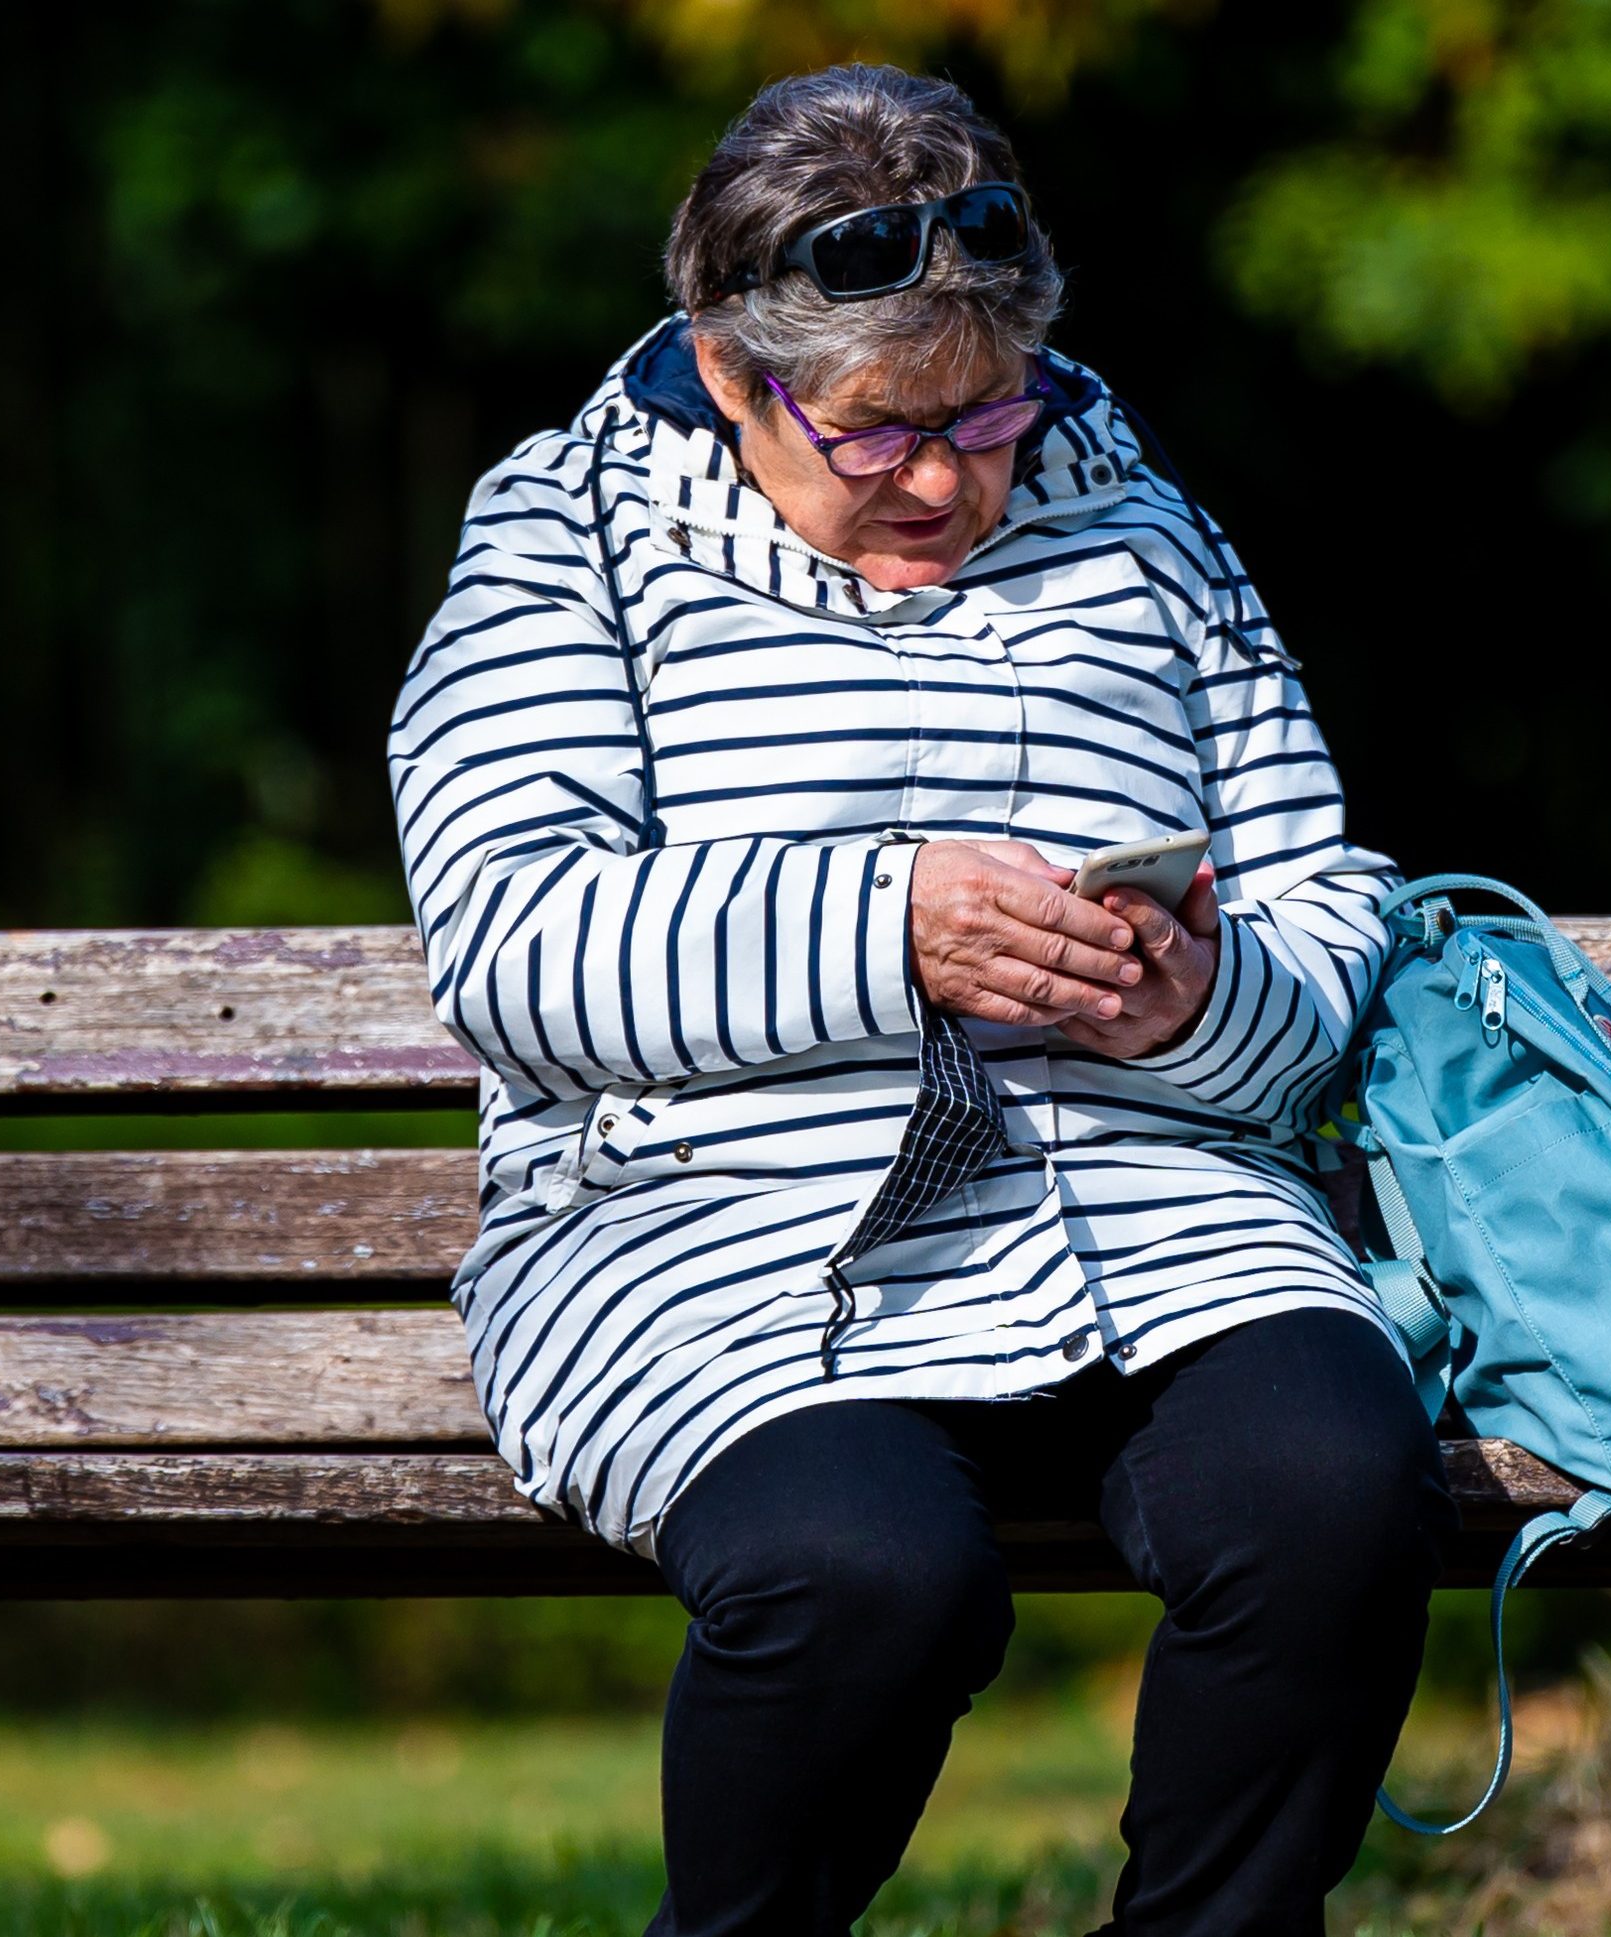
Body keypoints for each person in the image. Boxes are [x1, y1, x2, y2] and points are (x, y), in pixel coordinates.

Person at [384, 63, 1451, 1937]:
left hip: (1156, 1204)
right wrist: (888, 928)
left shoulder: (1145, 524)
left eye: (991, 414)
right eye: (880, 435)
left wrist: (1199, 1003)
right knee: (864, 1573)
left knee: (1336, 1496)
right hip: (711, 1230)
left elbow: (1318, 894)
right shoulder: (566, 534)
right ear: (731, 375)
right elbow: (512, 943)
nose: (953, 479)